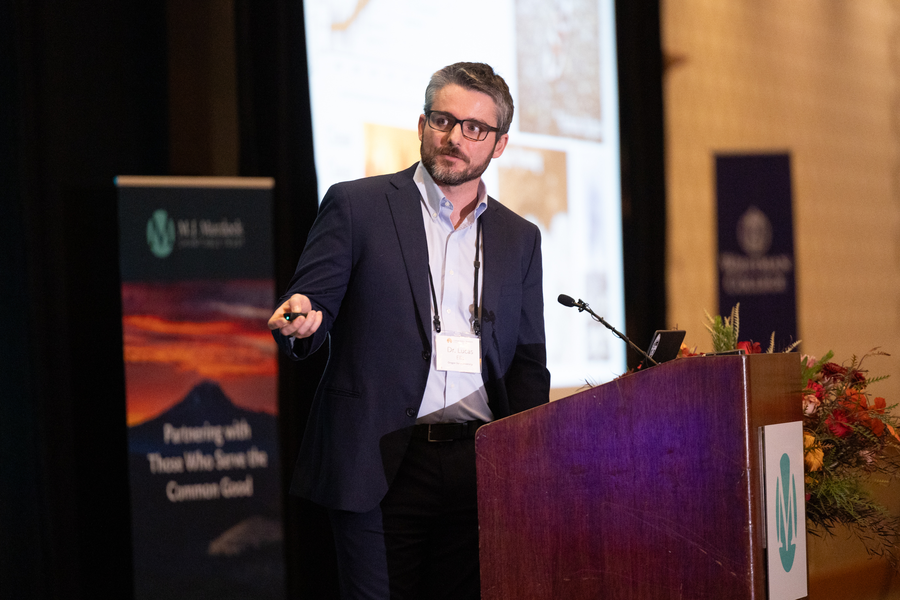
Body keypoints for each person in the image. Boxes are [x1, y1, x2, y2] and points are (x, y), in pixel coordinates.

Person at [268, 61, 551, 600]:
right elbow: (310, 303)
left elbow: (527, 361)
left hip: (478, 465)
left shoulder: (520, 237)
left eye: (475, 128)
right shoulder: (359, 206)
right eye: (442, 120)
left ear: (500, 144)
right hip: (380, 458)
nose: (454, 137)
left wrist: (525, 463)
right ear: (422, 125)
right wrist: (302, 316)